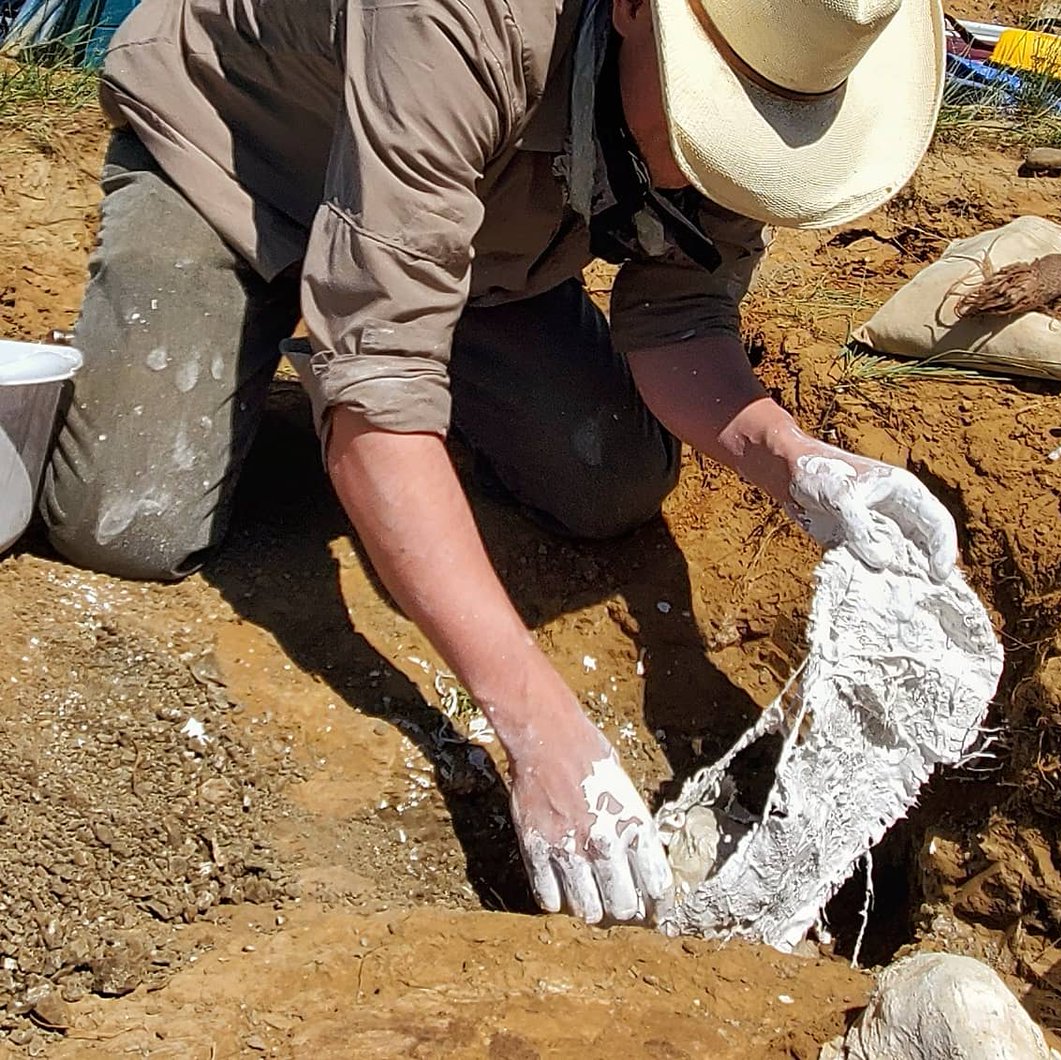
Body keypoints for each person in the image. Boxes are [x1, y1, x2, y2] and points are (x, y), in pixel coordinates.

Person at [41, 0, 954, 925]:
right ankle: (312, 339)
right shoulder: (459, 18)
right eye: (717, 107)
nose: (723, 162)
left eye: (769, 130)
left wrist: (796, 462)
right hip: (242, 156)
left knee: (612, 479)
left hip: (472, 235)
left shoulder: (776, 53)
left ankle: (376, 321)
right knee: (132, 522)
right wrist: (539, 726)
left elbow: (681, 317)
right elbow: (385, 401)